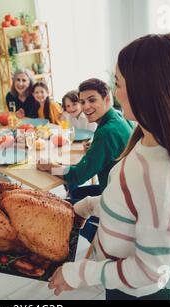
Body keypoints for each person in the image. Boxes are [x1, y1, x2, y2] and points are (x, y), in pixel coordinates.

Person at [48, 33, 170, 300]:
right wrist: (91, 204)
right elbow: (129, 201)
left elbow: (148, 271)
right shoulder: (146, 140)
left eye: (117, 83)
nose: (115, 92)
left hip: (137, 293)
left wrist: (80, 273)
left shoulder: (161, 176)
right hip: (120, 283)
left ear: (143, 90)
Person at [37, 78, 133, 241]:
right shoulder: (117, 117)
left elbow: (78, 176)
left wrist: (50, 167)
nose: (86, 106)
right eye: (82, 101)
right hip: (125, 190)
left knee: (64, 208)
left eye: (92, 100)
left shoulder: (106, 132)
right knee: (75, 192)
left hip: (117, 199)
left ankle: (98, 238)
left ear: (107, 99)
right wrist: (95, 146)